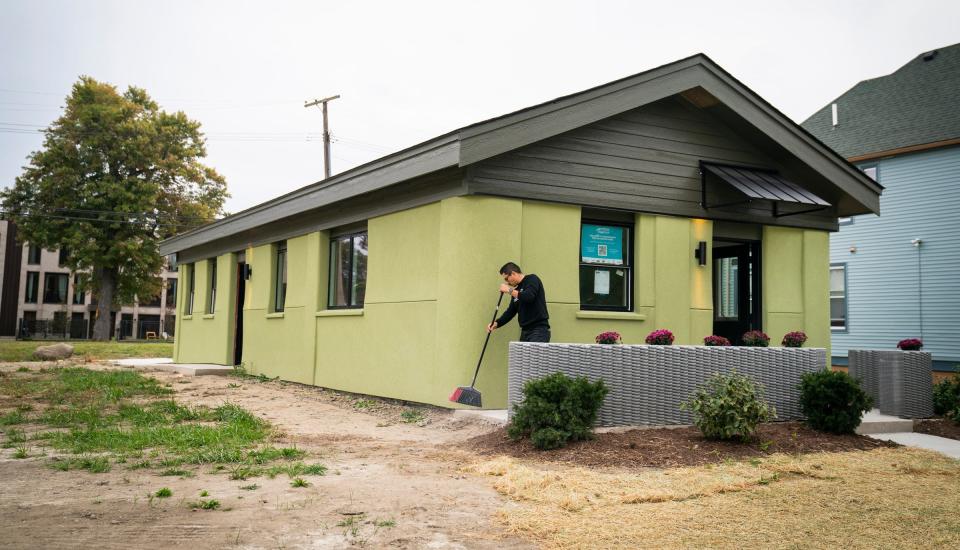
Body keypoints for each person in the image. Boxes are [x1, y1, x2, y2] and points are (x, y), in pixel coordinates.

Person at [486, 262, 550, 342]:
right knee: (520, 355)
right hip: (525, 332)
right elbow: (510, 312)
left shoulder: (532, 279)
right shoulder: (516, 291)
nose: (507, 282)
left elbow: (529, 296)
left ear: (513, 273)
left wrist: (508, 290)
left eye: (506, 278)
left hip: (538, 330)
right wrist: (496, 323)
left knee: (534, 354)